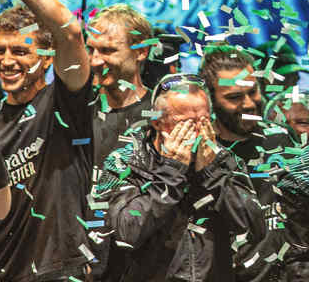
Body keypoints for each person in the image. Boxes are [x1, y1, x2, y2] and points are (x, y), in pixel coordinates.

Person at [91, 74, 267, 281]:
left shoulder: (225, 161)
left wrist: (212, 172)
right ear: (157, 122)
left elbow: (254, 228)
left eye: (204, 122)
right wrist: (170, 171)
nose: (198, 133)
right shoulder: (127, 161)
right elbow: (126, 234)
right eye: (185, 124)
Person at [0, 0, 92, 282]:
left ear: (47, 58)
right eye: (0, 50)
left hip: (57, 272)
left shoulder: (64, 103)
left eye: (20, 51)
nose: (7, 61)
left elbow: (71, 34)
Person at [199, 45, 292, 280]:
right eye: (234, 97)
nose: (249, 104)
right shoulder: (200, 151)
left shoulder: (279, 138)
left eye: (253, 92)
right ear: (210, 100)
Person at [87, 4, 154, 167]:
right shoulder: (79, 109)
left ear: (141, 51)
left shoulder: (160, 113)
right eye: (91, 49)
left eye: (107, 50)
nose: (94, 61)